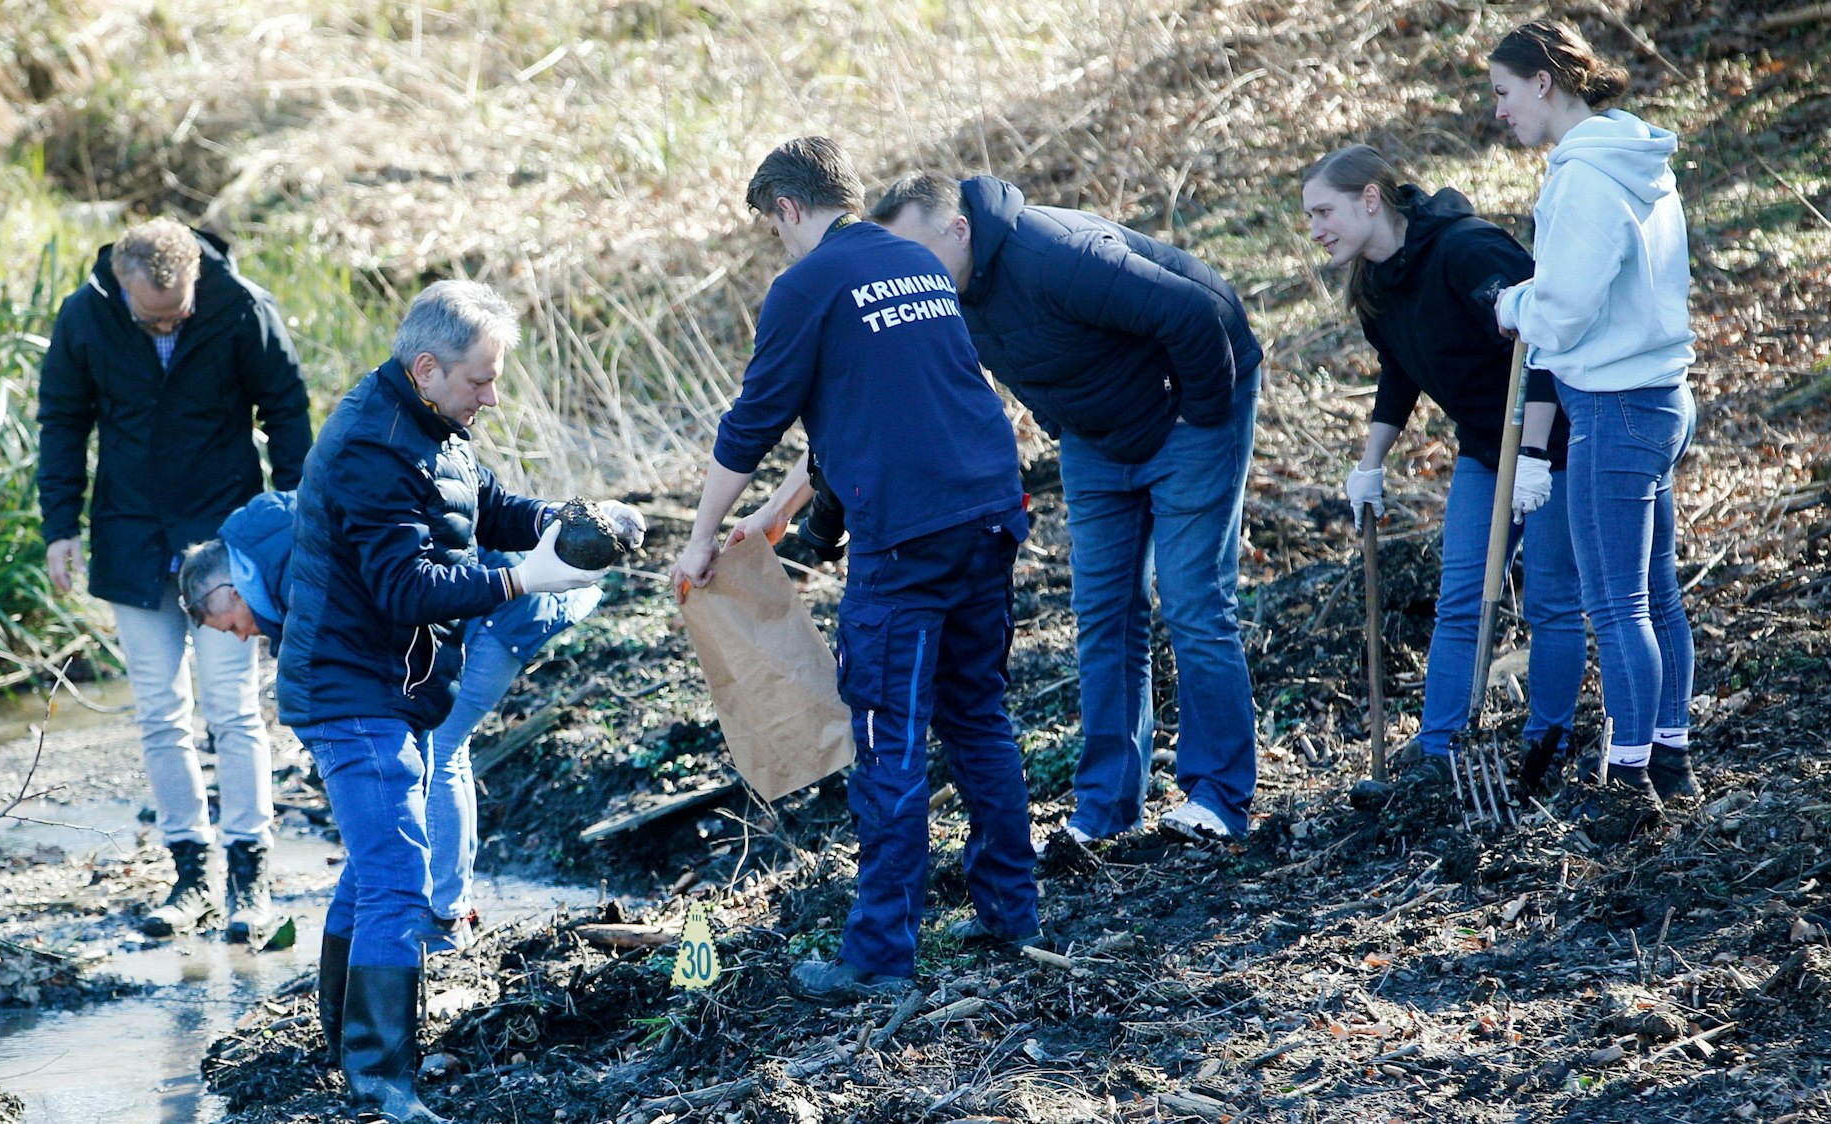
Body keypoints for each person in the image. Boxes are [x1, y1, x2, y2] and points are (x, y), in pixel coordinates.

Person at [669, 137, 1039, 1001]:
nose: (779, 241)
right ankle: (1009, 913)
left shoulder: (805, 284)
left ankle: (877, 956)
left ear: (789, 210)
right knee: (978, 715)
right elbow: (872, 412)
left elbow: (753, 419)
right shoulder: (911, 264)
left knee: (887, 738)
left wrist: (699, 536)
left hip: (907, 540)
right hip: (989, 512)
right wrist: (772, 516)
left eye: (774, 226)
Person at [277, 280, 634, 1121]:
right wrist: (523, 577)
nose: (493, 395)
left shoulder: (439, 425)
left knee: (372, 874)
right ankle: (381, 1083)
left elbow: (487, 506)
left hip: (388, 685)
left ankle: (347, 1049)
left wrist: (563, 521)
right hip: (349, 686)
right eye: (481, 379)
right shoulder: (371, 445)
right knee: (399, 880)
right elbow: (404, 587)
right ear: (427, 367)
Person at [871, 173, 1264, 843]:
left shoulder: (1056, 254)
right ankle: (1105, 810)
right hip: (1095, 442)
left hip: (1190, 415)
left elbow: (1198, 315)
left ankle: (1218, 798)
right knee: (1102, 614)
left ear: (959, 230)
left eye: (915, 250)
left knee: (1193, 600)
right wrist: (1063, 426)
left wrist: (1197, 421)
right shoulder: (947, 296)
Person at [35, 218, 312, 941]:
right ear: (119, 282)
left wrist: (297, 521)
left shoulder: (241, 307)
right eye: (152, 314)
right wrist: (59, 525)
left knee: (233, 709)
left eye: (178, 308)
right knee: (159, 710)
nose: (168, 320)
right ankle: (190, 873)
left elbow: (286, 411)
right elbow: (62, 421)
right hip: (130, 536)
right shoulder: (84, 314)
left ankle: (249, 873)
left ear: (196, 277)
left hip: (226, 538)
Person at [176, 492, 601, 951]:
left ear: (227, 591)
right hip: (476, 593)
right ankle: (438, 909)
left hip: (504, 596)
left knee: (441, 746)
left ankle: (447, 918)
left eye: (230, 626)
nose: (242, 637)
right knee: (431, 747)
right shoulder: (269, 544)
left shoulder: (289, 566)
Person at [1300, 144, 1586, 793]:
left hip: (1557, 443)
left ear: (1369, 198)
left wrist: (1536, 456)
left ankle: (1548, 743)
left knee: (1548, 602)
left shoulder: (1467, 252)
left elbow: (1543, 340)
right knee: (1459, 600)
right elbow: (1398, 370)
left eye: (1323, 211)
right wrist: (1369, 464)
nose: (1315, 228)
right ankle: (1437, 752)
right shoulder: (1376, 281)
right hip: (1484, 450)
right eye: (1309, 216)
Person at [1487, 20, 1698, 816]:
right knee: (1654, 596)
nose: (1499, 111)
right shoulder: (1637, 161)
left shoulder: (1582, 177)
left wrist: (1511, 305)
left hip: (1612, 407)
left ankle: (1629, 777)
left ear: (1544, 82)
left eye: (1504, 93)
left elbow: (1567, 308)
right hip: (1658, 397)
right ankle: (1670, 758)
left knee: (1616, 605)